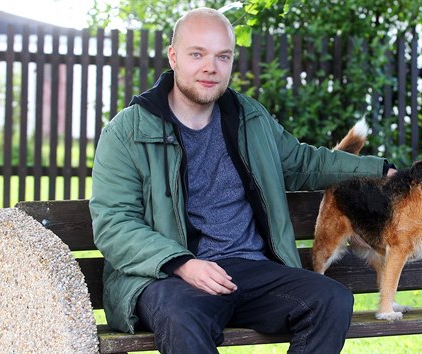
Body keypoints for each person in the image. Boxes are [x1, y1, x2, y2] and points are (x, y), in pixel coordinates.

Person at [90, 7, 395, 354]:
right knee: (181, 314)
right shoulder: (127, 131)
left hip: (248, 271)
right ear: (173, 57)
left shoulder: (249, 117)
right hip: (165, 276)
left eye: (223, 56)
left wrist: (381, 169)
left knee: (331, 299)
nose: (211, 67)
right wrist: (182, 263)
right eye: (197, 54)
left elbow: (302, 162)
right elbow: (114, 223)